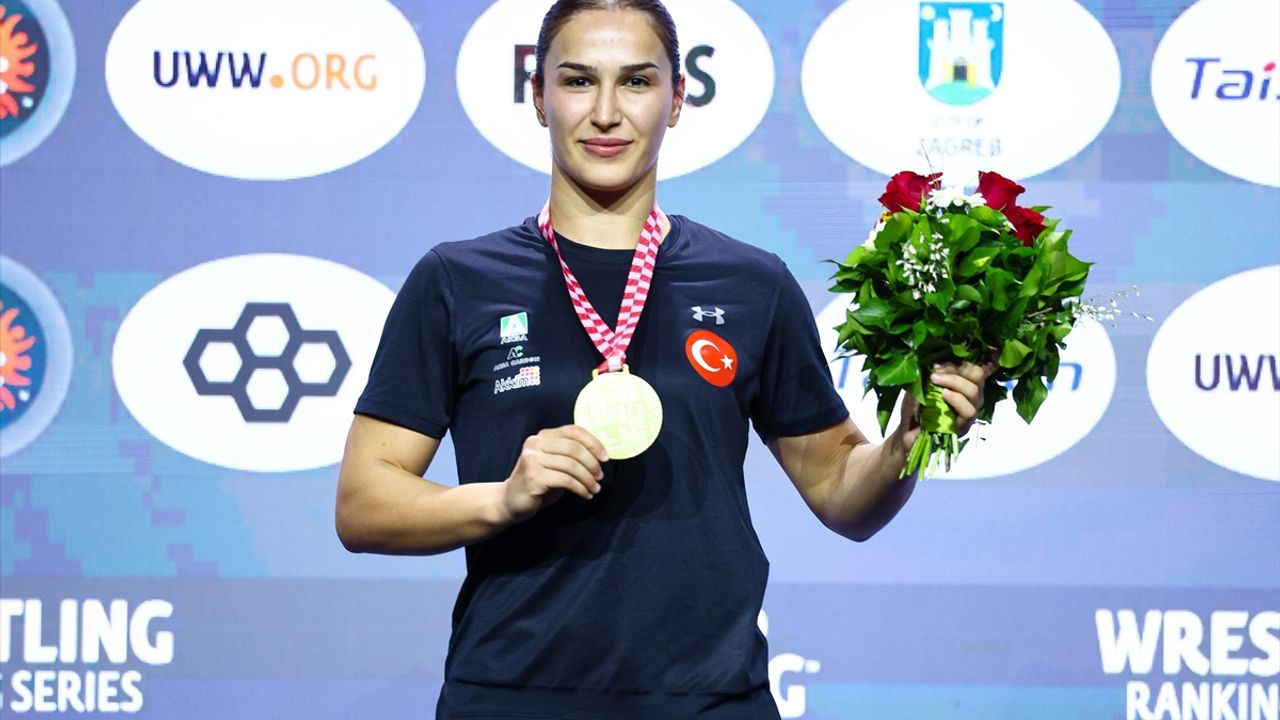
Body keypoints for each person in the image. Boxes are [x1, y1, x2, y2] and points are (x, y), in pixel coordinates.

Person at [335, 1, 993, 718]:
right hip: (512, 696)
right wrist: (501, 498)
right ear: (538, 97)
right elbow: (364, 504)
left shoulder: (752, 284)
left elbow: (841, 493)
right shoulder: (458, 281)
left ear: (676, 99)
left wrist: (905, 442)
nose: (606, 112)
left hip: (711, 700)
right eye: (578, 81)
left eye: (637, 81)